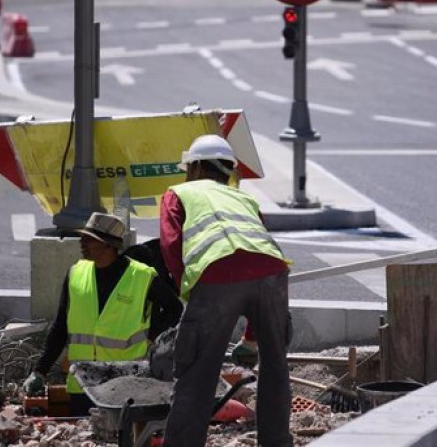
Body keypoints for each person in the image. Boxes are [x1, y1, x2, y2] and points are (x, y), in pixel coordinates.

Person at [160, 134, 292, 447]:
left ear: (193, 168)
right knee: (275, 367)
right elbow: (254, 255)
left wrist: (189, 291)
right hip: (272, 272)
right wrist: (251, 338)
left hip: (217, 273)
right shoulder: (243, 198)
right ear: (227, 171)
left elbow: (170, 244)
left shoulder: (179, 192)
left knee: (197, 373)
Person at [23, 212, 183, 416]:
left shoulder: (142, 276)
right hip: (83, 383)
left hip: (125, 383)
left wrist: (152, 338)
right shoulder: (76, 274)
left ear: (108, 244)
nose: (82, 242)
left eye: (89, 239)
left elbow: (175, 309)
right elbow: (60, 328)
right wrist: (39, 371)